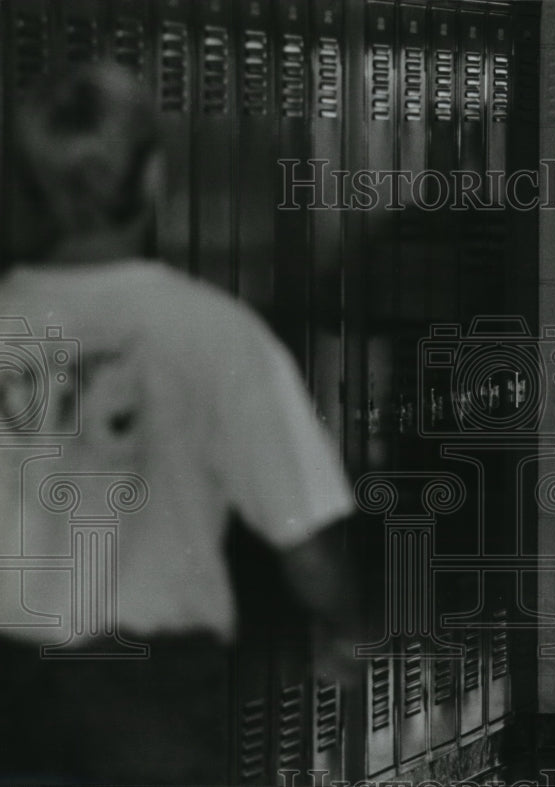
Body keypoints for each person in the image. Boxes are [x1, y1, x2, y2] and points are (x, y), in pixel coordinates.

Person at [0, 63, 360, 783]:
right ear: (156, 175)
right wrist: (347, 630)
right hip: (151, 695)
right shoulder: (213, 334)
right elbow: (311, 545)